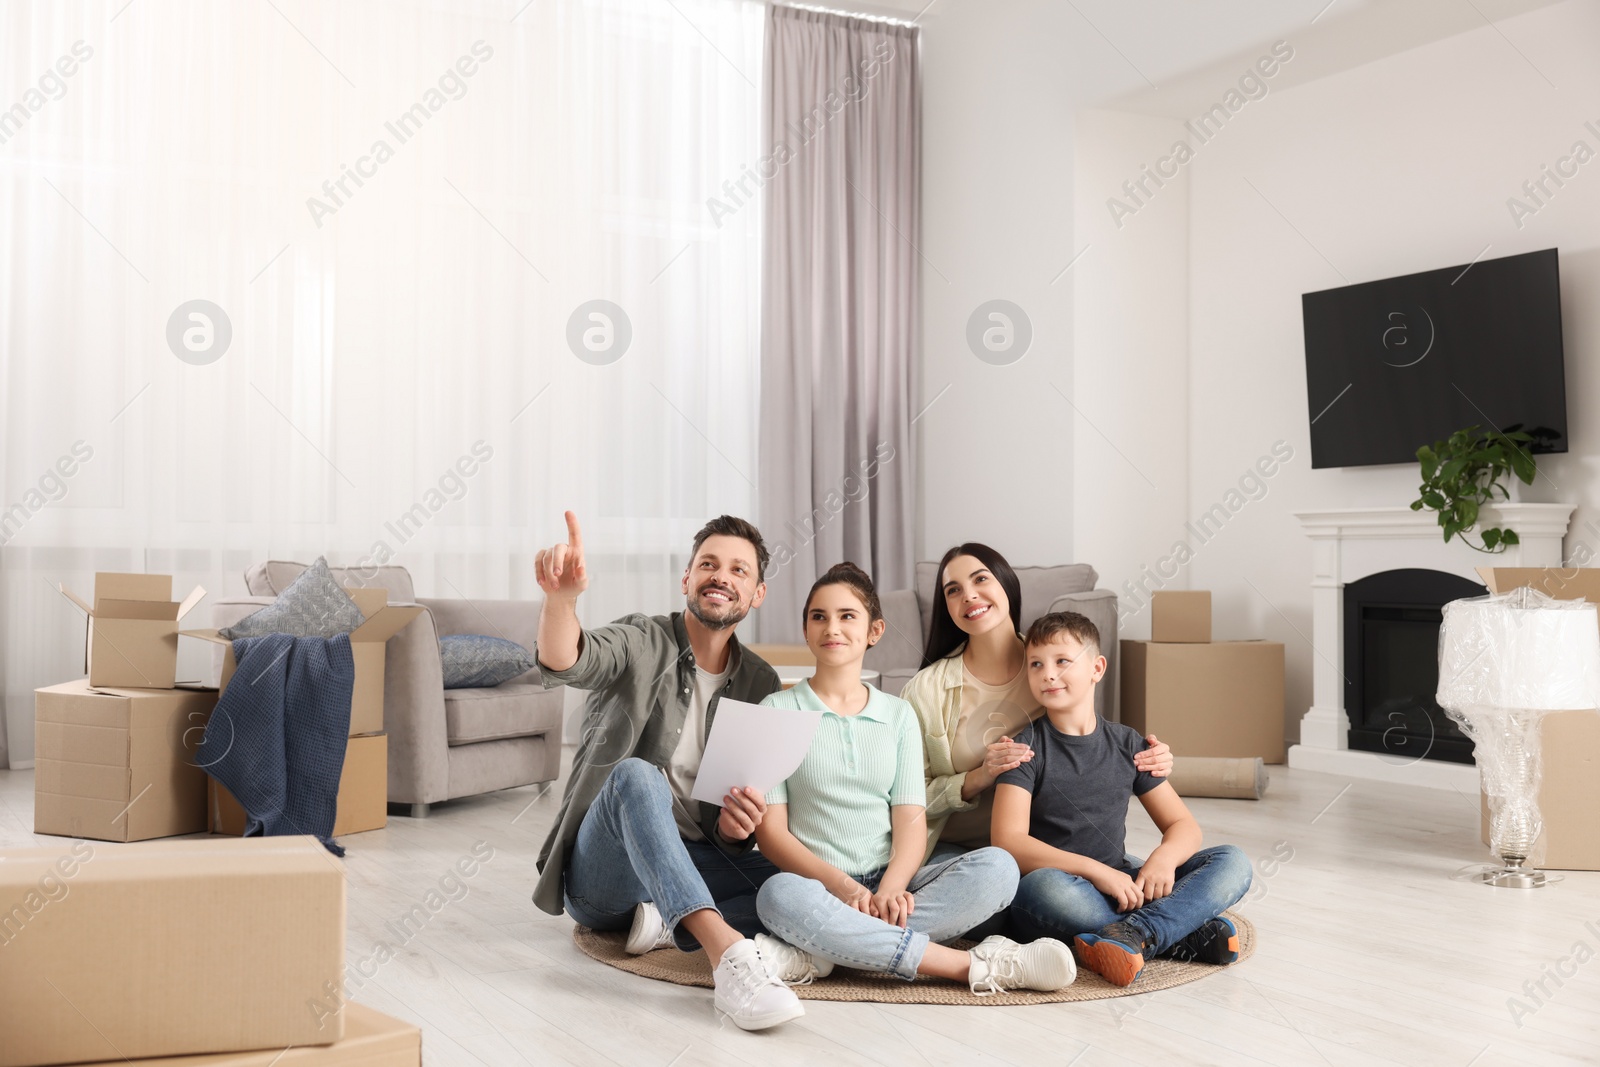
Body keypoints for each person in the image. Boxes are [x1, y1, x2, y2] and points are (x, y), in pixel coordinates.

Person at [750, 562, 1078, 995]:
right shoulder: (776, 710)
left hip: (895, 883)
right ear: (806, 630)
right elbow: (772, 835)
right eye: (819, 616)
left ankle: (825, 950)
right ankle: (969, 966)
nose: (832, 627)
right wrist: (847, 890)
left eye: (848, 616)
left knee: (998, 868)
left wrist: (891, 887)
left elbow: (909, 817)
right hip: (817, 887)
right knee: (776, 895)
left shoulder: (897, 714)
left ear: (875, 630)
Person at [530, 511, 802, 1030]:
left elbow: (734, 815)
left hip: (693, 862)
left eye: (739, 570)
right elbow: (568, 660)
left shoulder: (761, 682)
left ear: (757, 593)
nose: (721, 576)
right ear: (687, 579)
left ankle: (664, 922)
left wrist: (733, 827)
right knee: (635, 775)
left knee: (792, 889)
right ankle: (729, 957)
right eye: (709, 564)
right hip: (607, 879)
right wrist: (561, 602)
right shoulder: (642, 639)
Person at [992, 611, 1253, 987]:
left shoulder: (1128, 744)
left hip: (1123, 884)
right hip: (1058, 891)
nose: (1047, 673)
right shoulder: (1024, 748)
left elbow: (1182, 826)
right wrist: (1100, 873)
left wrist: (1162, 863)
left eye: (1062, 661)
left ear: (1097, 668)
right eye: (1036, 664)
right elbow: (1009, 841)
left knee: (1233, 861)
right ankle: (1180, 932)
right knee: (1044, 887)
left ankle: (1137, 933)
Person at [901, 543, 1174, 863]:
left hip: (1047, 850)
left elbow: (1087, 744)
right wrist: (977, 778)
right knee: (998, 873)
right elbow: (907, 798)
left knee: (1157, 874)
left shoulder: (1051, 668)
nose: (969, 595)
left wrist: (1149, 756)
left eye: (980, 579)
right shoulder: (925, 690)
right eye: (953, 590)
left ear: (1006, 583)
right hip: (960, 853)